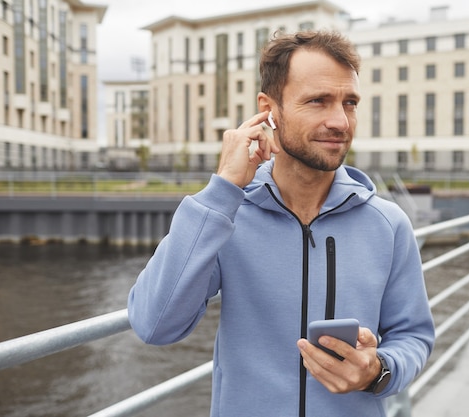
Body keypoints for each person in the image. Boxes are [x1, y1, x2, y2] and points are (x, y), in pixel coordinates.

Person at [128, 30, 435, 417]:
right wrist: (222, 189)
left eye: (350, 103)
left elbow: (414, 336)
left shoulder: (388, 224)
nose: (340, 121)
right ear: (269, 108)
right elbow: (154, 324)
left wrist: (377, 371)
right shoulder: (225, 216)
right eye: (318, 101)